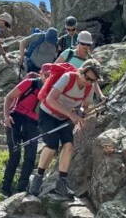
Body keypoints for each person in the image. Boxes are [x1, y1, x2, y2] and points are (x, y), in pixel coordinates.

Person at [28, 59, 103, 198]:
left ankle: (61, 183)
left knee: (69, 146)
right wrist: (71, 114)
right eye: (86, 77)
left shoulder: (89, 87)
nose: (88, 81)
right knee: (51, 145)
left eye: (92, 80)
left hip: (65, 118)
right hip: (48, 114)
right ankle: (37, 178)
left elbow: (85, 106)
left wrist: (82, 113)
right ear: (81, 71)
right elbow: (50, 99)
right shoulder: (67, 77)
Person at [0, 72, 43, 196]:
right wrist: (7, 116)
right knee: (15, 154)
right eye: (45, 74)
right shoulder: (29, 83)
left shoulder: (52, 90)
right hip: (16, 119)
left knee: (30, 157)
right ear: (41, 74)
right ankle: (5, 188)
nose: (47, 77)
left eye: (50, 75)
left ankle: (21, 189)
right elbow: (8, 97)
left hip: (34, 124)